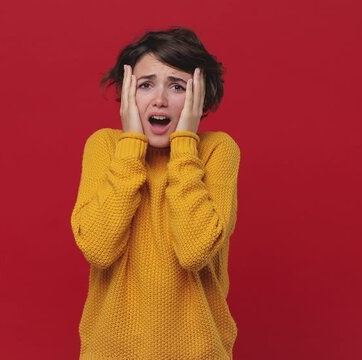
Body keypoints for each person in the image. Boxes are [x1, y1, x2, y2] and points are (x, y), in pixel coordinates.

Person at [70, 27, 240, 359]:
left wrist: (185, 146)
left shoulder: (218, 150)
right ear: (128, 93)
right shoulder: (105, 146)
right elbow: (98, 249)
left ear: (201, 96)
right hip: (111, 351)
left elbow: (194, 251)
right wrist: (131, 146)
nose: (159, 99)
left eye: (177, 86)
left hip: (198, 352)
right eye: (146, 85)